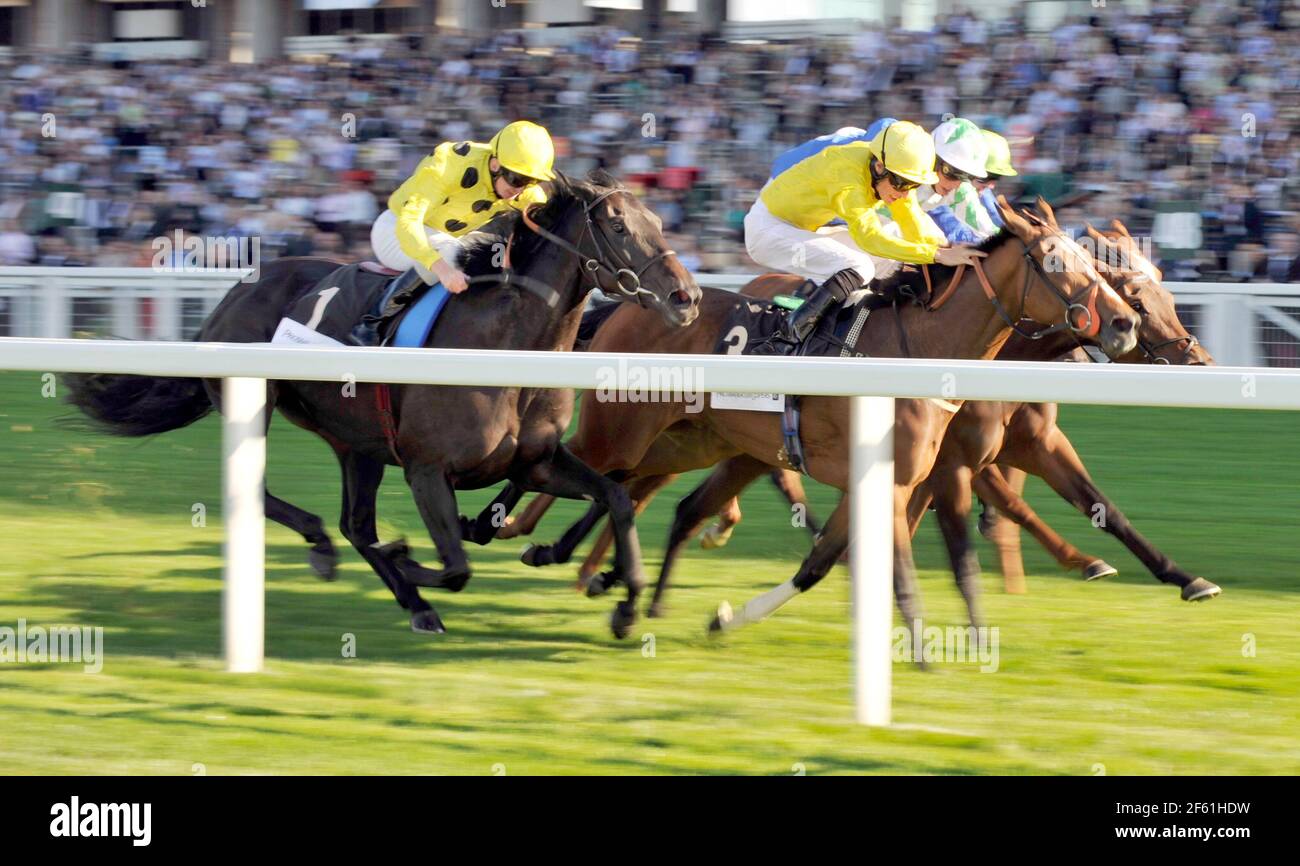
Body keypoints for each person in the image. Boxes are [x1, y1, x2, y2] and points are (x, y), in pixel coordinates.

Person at [744, 119, 985, 355]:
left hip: (800, 230)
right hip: (767, 231)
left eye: (912, 185)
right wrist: (938, 255)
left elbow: (912, 223)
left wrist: (949, 248)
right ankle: (787, 338)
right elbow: (870, 238)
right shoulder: (848, 177)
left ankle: (862, 334)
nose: (904, 193)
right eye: (902, 183)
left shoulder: (892, 174)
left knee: (891, 252)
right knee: (859, 265)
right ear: (879, 166)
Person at [354, 120, 555, 345]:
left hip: (445, 239)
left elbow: (552, 231)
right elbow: (408, 221)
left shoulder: (523, 191)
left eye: (531, 181)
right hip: (395, 231)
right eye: (517, 179)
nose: (520, 189)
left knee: (490, 249)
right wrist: (442, 269)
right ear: (496, 164)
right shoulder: (448, 164)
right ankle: (372, 322)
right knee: (453, 253)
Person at [918, 117, 999, 244]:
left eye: (967, 177)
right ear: (934, 160)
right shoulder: (908, 177)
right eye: (953, 173)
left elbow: (989, 231)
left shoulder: (960, 190)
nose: (956, 185)